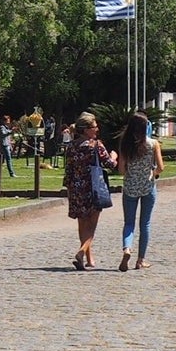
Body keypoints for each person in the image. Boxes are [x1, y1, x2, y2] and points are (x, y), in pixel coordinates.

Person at [63, 112, 117, 269]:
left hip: (76, 188)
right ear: (86, 129)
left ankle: (89, 258)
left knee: (82, 224)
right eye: (94, 127)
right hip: (93, 187)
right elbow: (110, 164)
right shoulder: (96, 145)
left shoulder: (71, 146)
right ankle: (81, 252)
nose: (97, 129)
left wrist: (69, 188)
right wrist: (114, 156)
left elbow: (68, 170)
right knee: (92, 225)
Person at [116, 112, 164, 271]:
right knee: (145, 223)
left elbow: (121, 169)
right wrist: (152, 173)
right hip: (147, 187)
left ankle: (127, 248)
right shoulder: (153, 144)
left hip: (130, 187)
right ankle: (141, 259)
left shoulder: (125, 144)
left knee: (129, 223)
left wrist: (131, 173)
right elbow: (160, 168)